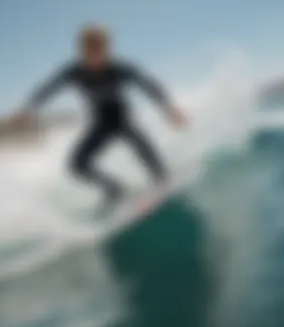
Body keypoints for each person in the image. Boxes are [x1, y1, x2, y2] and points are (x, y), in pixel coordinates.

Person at [14, 24, 188, 207]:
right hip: (100, 123)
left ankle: (163, 182)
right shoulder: (73, 72)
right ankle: (116, 190)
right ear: (82, 51)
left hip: (123, 120)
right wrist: (28, 108)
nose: (96, 56)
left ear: (107, 49)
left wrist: (169, 109)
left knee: (146, 153)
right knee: (77, 164)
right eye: (90, 51)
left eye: (100, 50)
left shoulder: (119, 69)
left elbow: (148, 85)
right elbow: (48, 88)